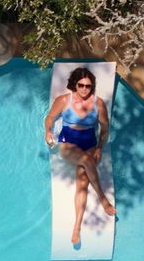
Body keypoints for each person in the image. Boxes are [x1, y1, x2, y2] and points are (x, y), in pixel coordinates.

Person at [44, 66, 117, 244]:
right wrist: (47, 131)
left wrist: (99, 147)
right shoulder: (63, 100)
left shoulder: (98, 104)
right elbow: (50, 118)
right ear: (74, 85)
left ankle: (76, 227)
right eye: (81, 85)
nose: (85, 89)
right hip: (68, 142)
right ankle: (102, 198)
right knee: (85, 160)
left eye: (88, 86)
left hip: (89, 143)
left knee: (83, 180)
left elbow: (105, 129)